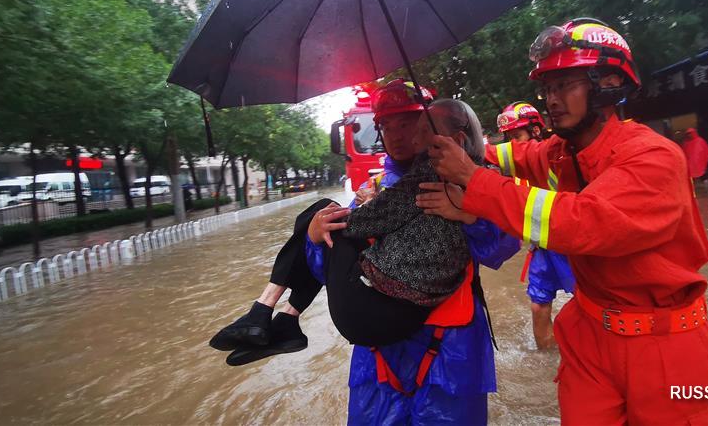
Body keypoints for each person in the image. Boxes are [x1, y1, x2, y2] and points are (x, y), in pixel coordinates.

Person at [423, 18, 708, 424]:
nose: (551, 98)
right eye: (547, 88)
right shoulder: (560, 151)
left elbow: (582, 222)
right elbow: (504, 156)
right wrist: (450, 138)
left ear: (607, 84)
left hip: (663, 344)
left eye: (565, 84)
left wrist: (472, 180)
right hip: (589, 333)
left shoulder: (654, 156)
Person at [212, 81, 519, 424]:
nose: (397, 134)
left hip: (451, 350)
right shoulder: (367, 192)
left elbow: (501, 248)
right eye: (385, 125)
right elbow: (327, 274)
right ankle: (280, 319)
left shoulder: (475, 180)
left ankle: (275, 316)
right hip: (378, 354)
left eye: (407, 123)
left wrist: (471, 211)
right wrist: (314, 237)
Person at [495, 102, 575, 350]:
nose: (512, 144)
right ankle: (547, 357)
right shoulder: (519, 167)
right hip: (542, 246)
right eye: (508, 138)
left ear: (536, 131)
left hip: (571, 246)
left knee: (588, 300)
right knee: (538, 303)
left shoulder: (555, 156)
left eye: (516, 136)